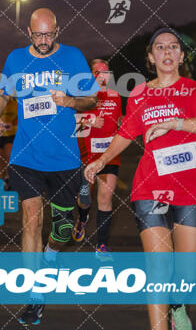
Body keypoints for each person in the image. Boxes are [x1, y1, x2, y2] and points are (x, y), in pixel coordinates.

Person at [85, 28, 196, 330]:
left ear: (181, 55)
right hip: (151, 187)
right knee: (159, 268)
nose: (167, 51)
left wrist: (175, 122)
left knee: (187, 273)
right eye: (159, 47)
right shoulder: (140, 94)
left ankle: (177, 303)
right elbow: (125, 133)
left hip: (194, 189)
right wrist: (101, 160)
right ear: (150, 57)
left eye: (173, 47)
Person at [0, 8, 97, 325]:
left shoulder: (73, 57)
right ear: (28, 32)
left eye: (48, 34)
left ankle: (51, 254)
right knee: (30, 219)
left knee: (62, 229)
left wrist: (70, 101)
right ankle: (34, 296)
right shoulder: (16, 60)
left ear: (57, 30)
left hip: (64, 157)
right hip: (26, 155)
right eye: (38, 34)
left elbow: (91, 99)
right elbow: (2, 93)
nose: (43, 40)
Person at [72, 58, 122, 258]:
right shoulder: (82, 96)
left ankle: (101, 246)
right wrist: (91, 120)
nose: (103, 76)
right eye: (98, 72)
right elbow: (70, 121)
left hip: (110, 155)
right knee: (84, 198)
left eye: (106, 72)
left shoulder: (116, 96)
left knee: (105, 198)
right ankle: (82, 218)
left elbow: (119, 121)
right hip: (87, 156)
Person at [0, 97, 17, 190]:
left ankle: (7, 176)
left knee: (8, 155)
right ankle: (1, 176)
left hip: (11, 132)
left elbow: (20, 116)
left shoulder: (15, 102)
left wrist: (12, 123)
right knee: (0, 155)